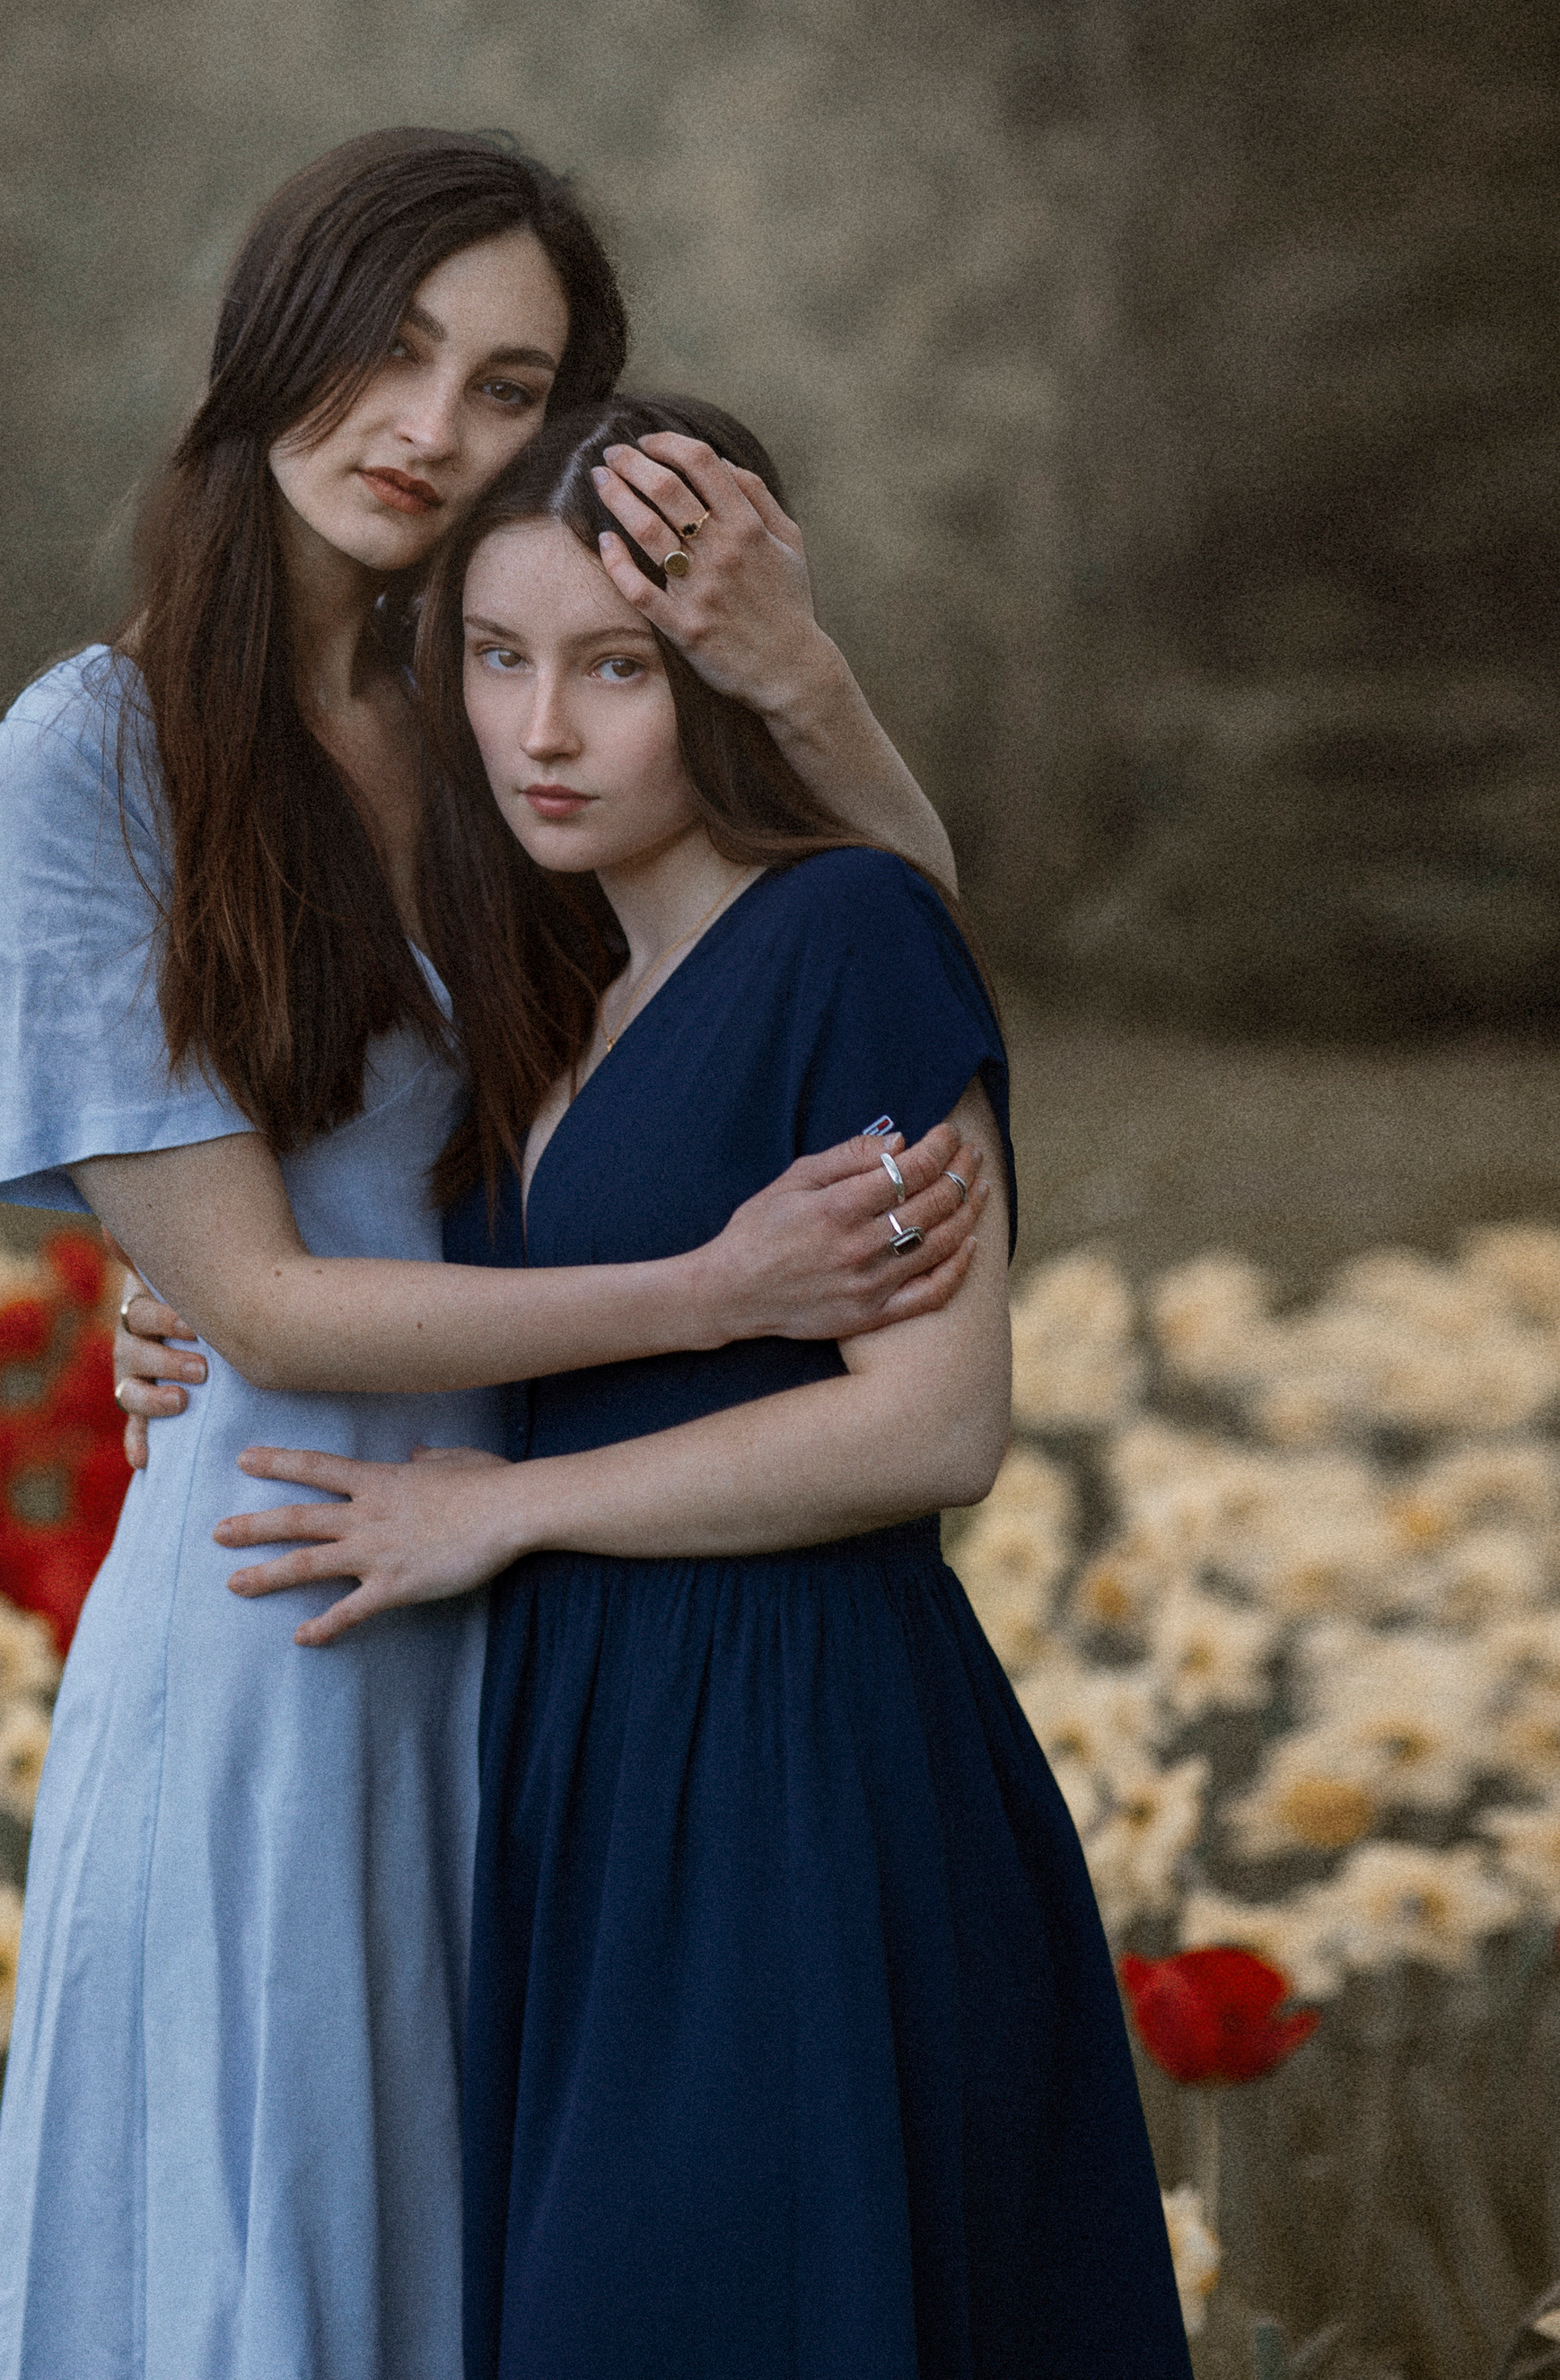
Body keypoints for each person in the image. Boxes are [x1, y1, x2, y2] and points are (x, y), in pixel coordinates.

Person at [0, 132, 975, 2380]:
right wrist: (711, 1293)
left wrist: (796, 674)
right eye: (393, 347)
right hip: (298, 1602)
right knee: (296, 2258)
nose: (430, 426)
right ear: (270, 337)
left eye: (507, 386)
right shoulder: (94, 758)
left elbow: (879, 947)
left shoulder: (506, 716)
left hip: (556, 1604)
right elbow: (263, 1299)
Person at [206, 393, 1194, 2380]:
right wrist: (182, 1292)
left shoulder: (846, 931)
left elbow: (935, 1421)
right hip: (591, 1751)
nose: (541, 731)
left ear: (716, 679)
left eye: (615, 668)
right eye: (498, 658)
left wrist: (504, 1509)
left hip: (791, 1749)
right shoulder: (563, 985)